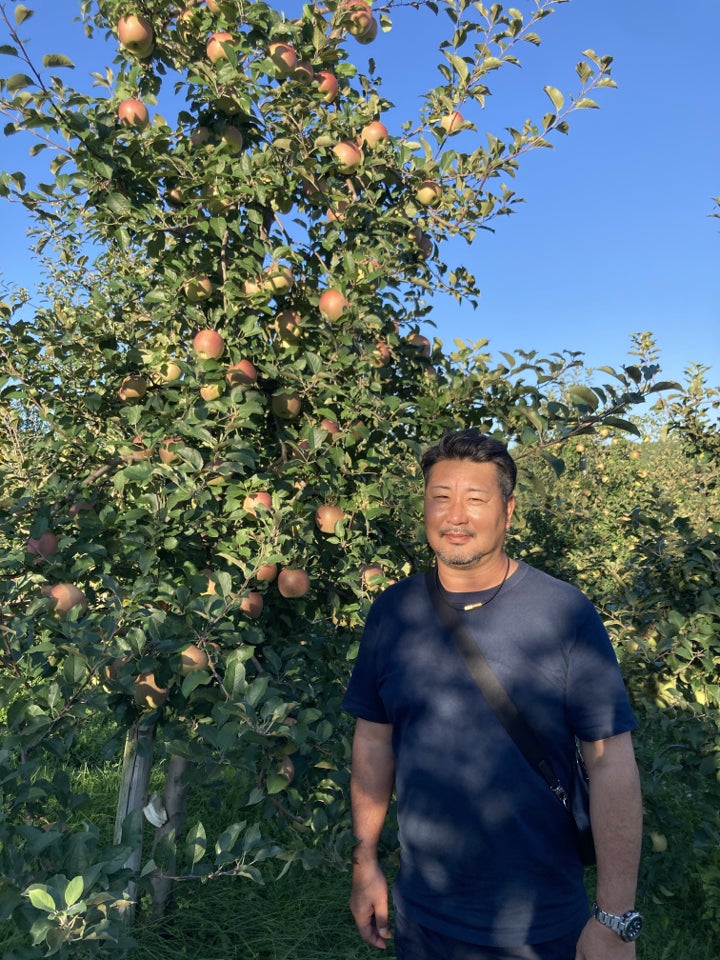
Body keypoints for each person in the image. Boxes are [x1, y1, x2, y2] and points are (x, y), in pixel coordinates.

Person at [342, 429, 643, 960]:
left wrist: (614, 920)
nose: (455, 516)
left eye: (475, 499)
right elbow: (372, 741)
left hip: (538, 927)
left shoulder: (563, 614)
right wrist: (364, 860)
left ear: (508, 510)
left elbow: (610, 762)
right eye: (441, 497)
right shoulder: (393, 613)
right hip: (421, 921)